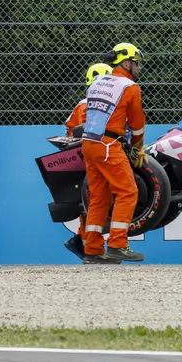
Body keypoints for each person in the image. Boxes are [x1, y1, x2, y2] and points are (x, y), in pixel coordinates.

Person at [81, 43, 147, 264]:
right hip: (108, 145)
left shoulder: (97, 83)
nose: (138, 68)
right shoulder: (130, 87)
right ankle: (118, 244)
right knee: (128, 191)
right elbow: (137, 125)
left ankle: (92, 249)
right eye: (136, 63)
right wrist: (138, 149)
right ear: (126, 63)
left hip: (89, 143)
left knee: (99, 197)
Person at [62, 62, 116, 260]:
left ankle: (85, 243)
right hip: (93, 158)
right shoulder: (90, 106)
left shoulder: (82, 105)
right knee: (96, 201)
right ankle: (87, 246)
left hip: (83, 158)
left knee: (92, 203)